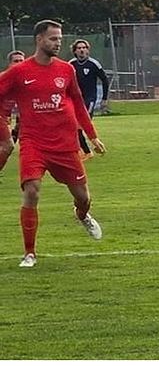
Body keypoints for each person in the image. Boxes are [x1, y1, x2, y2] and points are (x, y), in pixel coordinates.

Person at [0, 20, 105, 268]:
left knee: (83, 198)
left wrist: (92, 135)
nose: (58, 43)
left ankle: (82, 215)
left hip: (65, 144)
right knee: (32, 190)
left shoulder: (66, 70)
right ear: (39, 40)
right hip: (34, 142)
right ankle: (29, 253)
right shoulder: (19, 72)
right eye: (53, 39)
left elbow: (78, 103)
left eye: (59, 39)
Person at [69, 39, 110, 160]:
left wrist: (104, 98)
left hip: (89, 99)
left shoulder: (94, 64)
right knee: (74, 127)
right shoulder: (71, 64)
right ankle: (88, 150)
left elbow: (105, 80)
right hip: (75, 100)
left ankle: (89, 150)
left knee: (80, 126)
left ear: (88, 50)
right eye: (79, 48)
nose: (82, 50)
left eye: (84, 47)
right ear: (75, 51)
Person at [0, 50, 25, 171]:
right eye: (16, 61)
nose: (19, 63)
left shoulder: (24, 81)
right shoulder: (4, 78)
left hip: (5, 118)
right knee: (8, 145)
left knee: (6, 146)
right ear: (9, 64)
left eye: (21, 61)